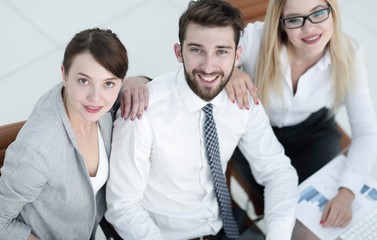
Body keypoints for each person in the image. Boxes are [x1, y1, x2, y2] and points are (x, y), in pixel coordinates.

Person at [105, 1, 298, 240]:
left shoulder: (242, 100)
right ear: (179, 52)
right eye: (197, 50)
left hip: (223, 224)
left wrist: (278, 235)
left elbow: (278, 171)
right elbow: (123, 207)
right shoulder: (142, 113)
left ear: (237, 55)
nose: (208, 67)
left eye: (221, 51)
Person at [223, 0, 377, 229]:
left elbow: (366, 133)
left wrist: (347, 192)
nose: (309, 28)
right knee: (283, 211)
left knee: (316, 220)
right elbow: (201, 55)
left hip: (312, 134)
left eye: (318, 13)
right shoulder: (256, 37)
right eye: (295, 19)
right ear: (281, 23)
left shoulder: (349, 54)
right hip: (255, 134)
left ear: (333, 11)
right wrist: (229, 71)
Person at [0, 28, 128, 239]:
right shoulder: (38, 149)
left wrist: (137, 81)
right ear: (64, 75)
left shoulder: (103, 109)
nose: (96, 98)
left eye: (108, 83)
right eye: (83, 81)